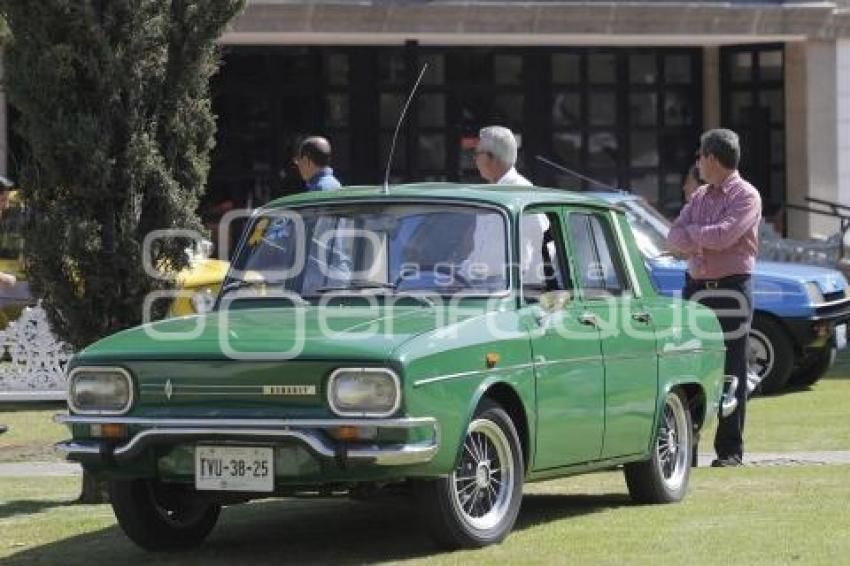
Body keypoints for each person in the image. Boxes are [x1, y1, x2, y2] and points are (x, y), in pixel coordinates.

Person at [667, 128, 762, 468]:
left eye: (700, 156)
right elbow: (672, 235)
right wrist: (695, 238)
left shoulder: (746, 195)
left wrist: (692, 238)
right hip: (696, 288)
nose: (698, 163)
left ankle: (729, 450)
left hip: (731, 288)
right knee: (691, 364)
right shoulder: (701, 196)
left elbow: (724, 236)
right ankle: (686, 447)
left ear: (711, 158)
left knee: (731, 366)